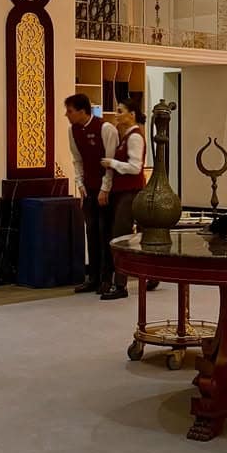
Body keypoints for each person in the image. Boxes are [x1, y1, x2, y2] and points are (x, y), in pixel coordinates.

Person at [65, 93, 117, 294]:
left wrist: (105, 188)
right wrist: (80, 184)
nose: (67, 115)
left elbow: (110, 162)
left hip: (107, 188)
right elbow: (77, 159)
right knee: (91, 232)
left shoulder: (105, 128)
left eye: (70, 111)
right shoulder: (72, 130)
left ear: (82, 111)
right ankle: (93, 277)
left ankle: (107, 278)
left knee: (105, 233)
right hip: (88, 188)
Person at [98, 98, 147, 301]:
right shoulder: (126, 136)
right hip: (123, 192)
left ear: (132, 115)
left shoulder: (134, 137)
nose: (117, 115)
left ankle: (120, 284)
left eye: (120, 111)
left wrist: (113, 163)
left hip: (131, 192)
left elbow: (135, 167)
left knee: (121, 236)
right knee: (119, 235)